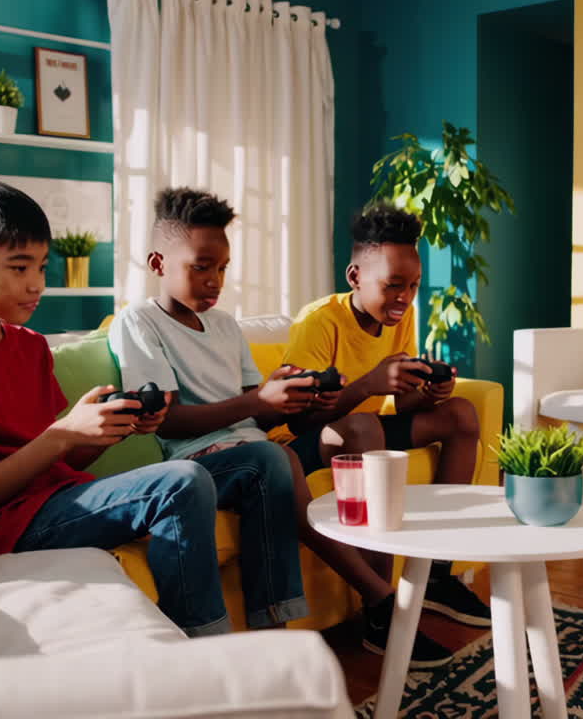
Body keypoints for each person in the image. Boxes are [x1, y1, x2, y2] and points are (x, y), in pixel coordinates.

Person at [0, 178, 303, 638]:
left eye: (43, 267)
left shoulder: (28, 346)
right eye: (20, 268)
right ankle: (208, 648)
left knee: (252, 465)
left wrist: (104, 431)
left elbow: (61, 463)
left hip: (56, 500)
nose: (37, 285)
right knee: (180, 482)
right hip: (3, 524)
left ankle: (271, 632)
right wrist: (63, 433)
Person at [108, 188, 452, 667]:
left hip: (256, 450)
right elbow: (166, 419)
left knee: (276, 456)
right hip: (197, 461)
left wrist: (296, 397)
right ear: (158, 263)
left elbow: (262, 416)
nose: (215, 281)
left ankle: (283, 631)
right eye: (201, 267)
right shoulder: (139, 323)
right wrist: (256, 402)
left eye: (223, 268)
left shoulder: (225, 326)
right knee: (275, 458)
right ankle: (377, 600)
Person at [274, 201, 491, 630]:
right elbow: (300, 420)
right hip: (304, 442)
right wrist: (368, 385)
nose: (405, 298)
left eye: (413, 286)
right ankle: (382, 608)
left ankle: (436, 574)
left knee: (462, 414)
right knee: (363, 425)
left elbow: (403, 406)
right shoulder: (319, 322)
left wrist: (430, 392)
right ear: (355, 277)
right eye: (394, 285)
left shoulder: (400, 316)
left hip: (364, 428)